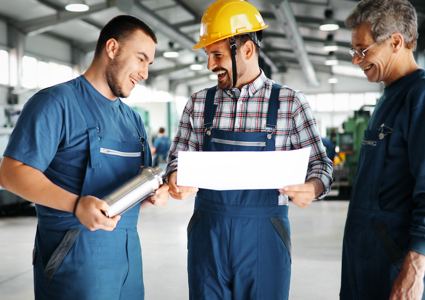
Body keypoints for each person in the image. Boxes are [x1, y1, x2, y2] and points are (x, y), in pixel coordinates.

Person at [165, 0, 333, 298]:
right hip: (208, 233)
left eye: (217, 54)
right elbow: (176, 160)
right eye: (208, 55)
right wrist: (176, 178)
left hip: (265, 235)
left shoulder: (290, 103)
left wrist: (313, 187)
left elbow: (321, 164)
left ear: (247, 50)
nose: (210, 65)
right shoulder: (198, 103)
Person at [0, 15, 169, 300]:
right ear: (112, 48)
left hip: (128, 261)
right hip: (74, 260)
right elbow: (11, 172)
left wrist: (152, 195)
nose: (145, 73)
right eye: (140, 59)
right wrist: (76, 204)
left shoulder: (133, 120)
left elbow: (136, 184)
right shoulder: (55, 103)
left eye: (148, 64)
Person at [340, 1, 425, 299]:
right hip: (365, 260)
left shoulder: (420, 97)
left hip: (396, 264)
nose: (356, 61)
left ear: (396, 42)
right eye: (353, 51)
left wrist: (416, 266)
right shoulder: (389, 96)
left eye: (362, 50)